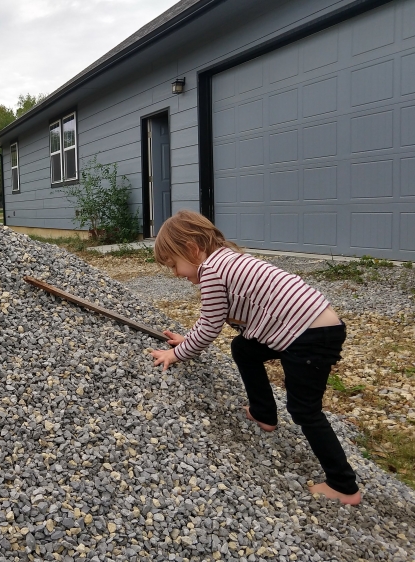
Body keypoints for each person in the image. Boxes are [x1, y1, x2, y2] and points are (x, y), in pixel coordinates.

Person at [149, 210, 361, 505]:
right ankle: (264, 413)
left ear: (192, 250)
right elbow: (213, 320)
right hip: (306, 327)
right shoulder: (226, 258)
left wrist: (177, 353)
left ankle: (344, 485)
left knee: (304, 411)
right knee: (244, 349)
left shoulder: (211, 271)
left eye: (175, 265)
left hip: (308, 336)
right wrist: (189, 339)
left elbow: (210, 326)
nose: (176, 274)